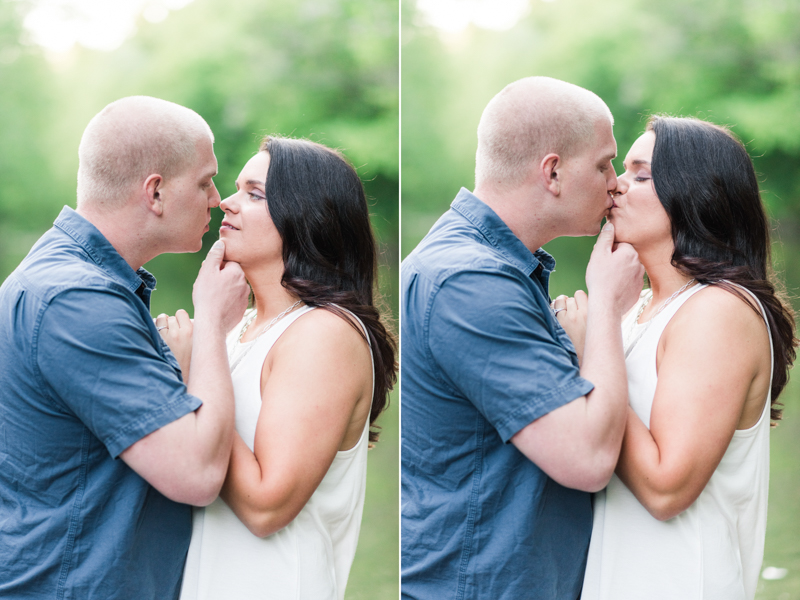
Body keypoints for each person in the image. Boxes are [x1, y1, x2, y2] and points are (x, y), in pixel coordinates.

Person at [400, 76, 644, 600]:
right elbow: (587, 458)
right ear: (553, 172)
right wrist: (605, 306)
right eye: (604, 164)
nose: (615, 183)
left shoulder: (492, 268)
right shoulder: (469, 283)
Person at [0, 96, 250, 599]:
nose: (217, 199)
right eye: (205, 181)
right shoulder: (77, 301)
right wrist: (213, 327)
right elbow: (197, 473)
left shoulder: (79, 281)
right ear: (155, 192)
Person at [557, 116, 797, 600]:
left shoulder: (719, 311)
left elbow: (667, 488)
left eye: (641, 175)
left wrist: (591, 346)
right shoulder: (637, 311)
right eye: (620, 170)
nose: (615, 186)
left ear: (696, 194)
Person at [164, 136, 397, 600]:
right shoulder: (239, 327)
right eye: (236, 189)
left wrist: (195, 365)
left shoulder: (324, 334)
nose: (226, 204)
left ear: (307, 217)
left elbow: (266, 505)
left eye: (254, 194)